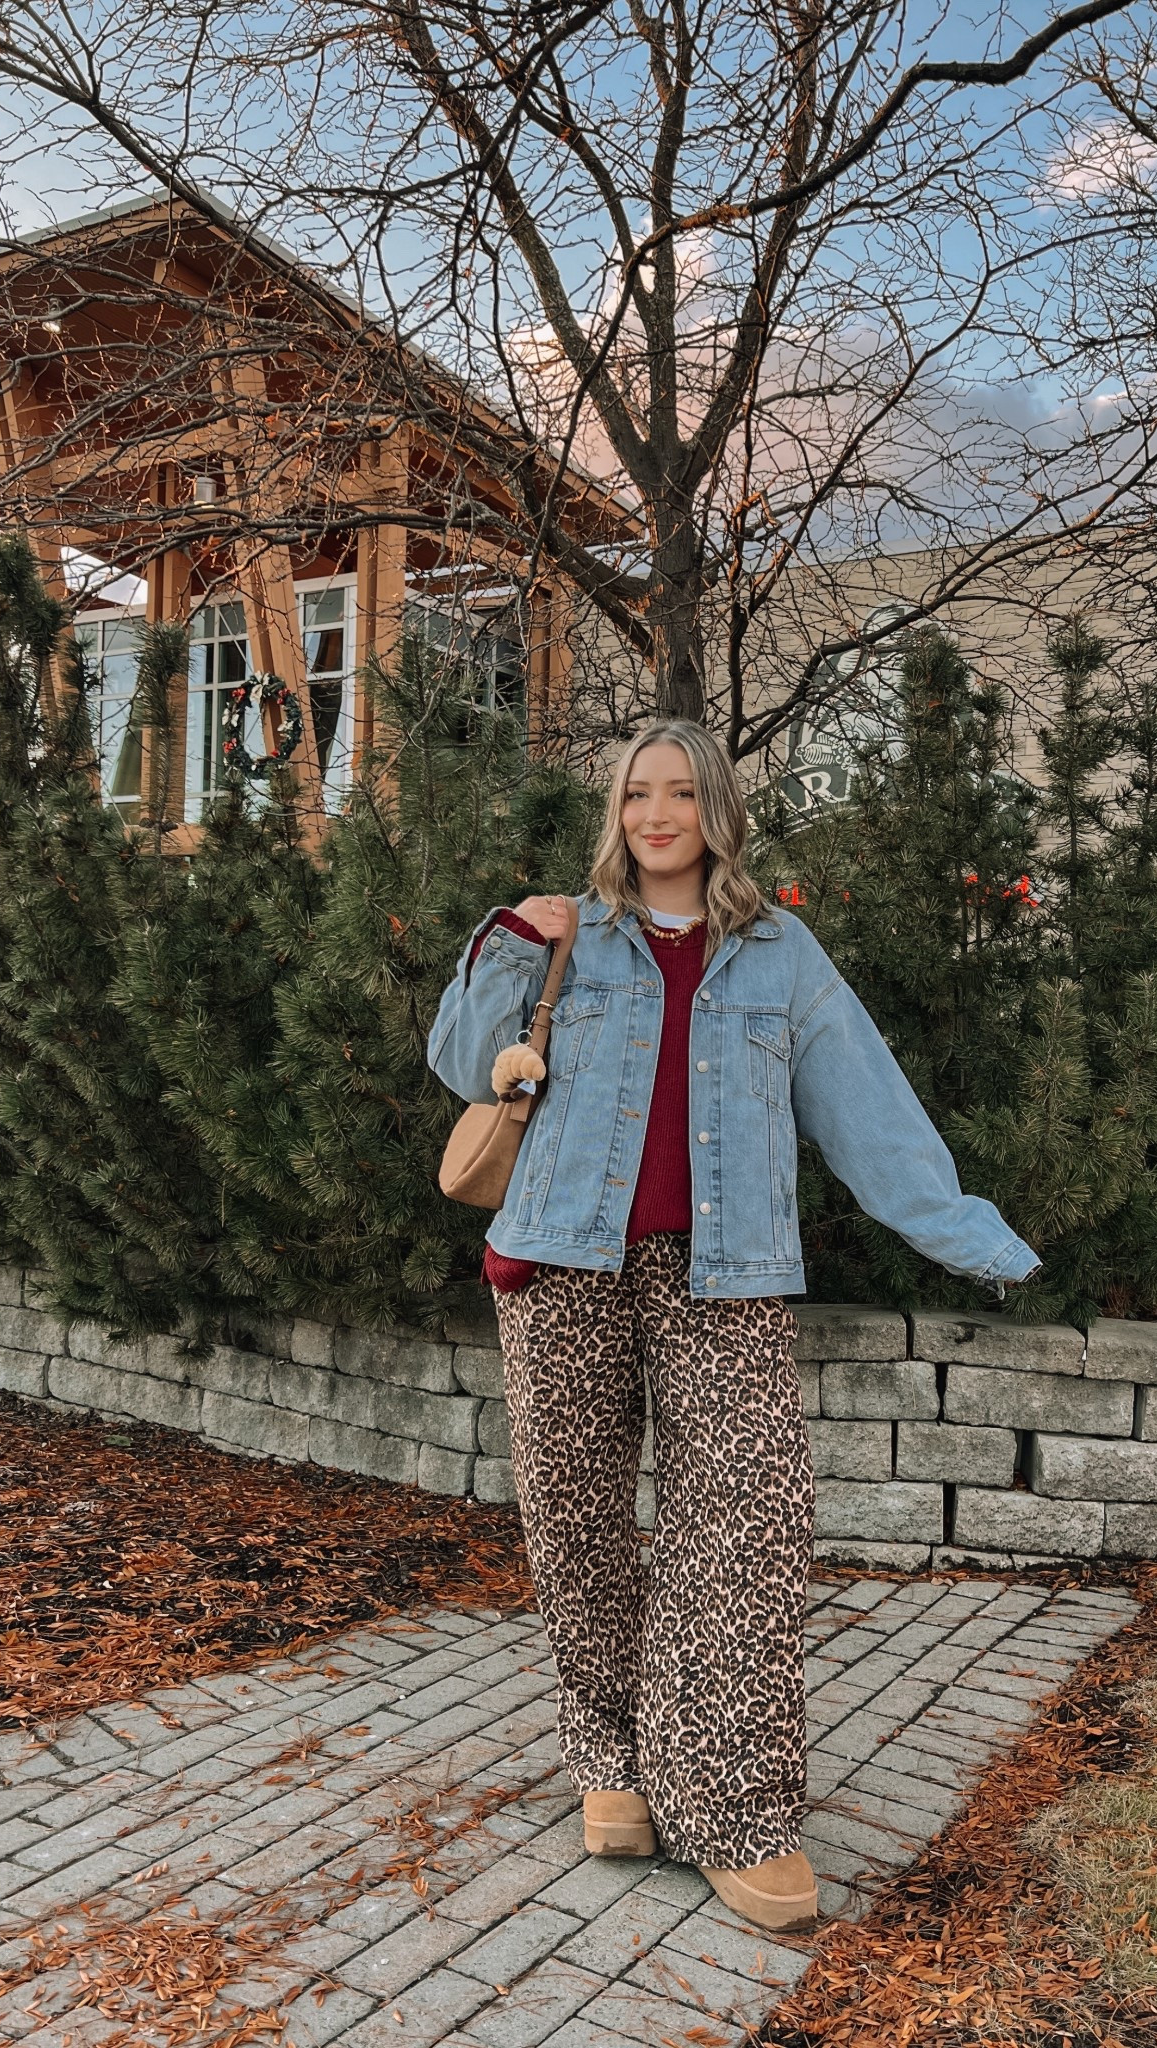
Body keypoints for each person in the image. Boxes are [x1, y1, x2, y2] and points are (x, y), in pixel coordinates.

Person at [427, 718, 1039, 1932]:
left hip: (726, 1273)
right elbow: (459, 1062)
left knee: (749, 1522)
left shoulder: (778, 953)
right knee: (578, 1516)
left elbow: (869, 1108)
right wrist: (508, 939)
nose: (657, 814)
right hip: (561, 1259)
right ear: (617, 811)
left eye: (680, 793)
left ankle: (731, 1803)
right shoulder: (568, 932)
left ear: (718, 809)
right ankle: (608, 1757)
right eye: (636, 794)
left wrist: (974, 1237)